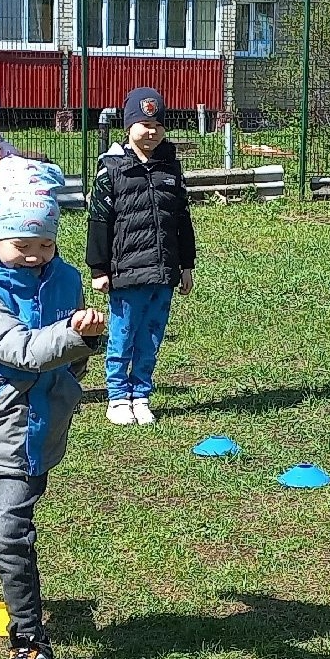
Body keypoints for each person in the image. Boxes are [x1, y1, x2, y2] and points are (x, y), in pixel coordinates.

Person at [0, 158, 106, 659]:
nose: (36, 255)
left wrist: (88, 338)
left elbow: (70, 357)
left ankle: (31, 644)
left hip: (33, 430)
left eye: (45, 244)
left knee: (7, 533)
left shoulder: (63, 280)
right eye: (23, 244)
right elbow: (15, 349)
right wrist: (70, 336)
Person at [85, 86, 196, 426]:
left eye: (157, 126)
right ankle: (117, 396)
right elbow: (99, 221)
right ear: (128, 126)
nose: (151, 132)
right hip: (126, 270)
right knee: (123, 333)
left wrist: (186, 265)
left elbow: (181, 219)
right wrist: (99, 268)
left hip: (163, 272)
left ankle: (141, 393)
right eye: (143, 124)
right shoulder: (112, 170)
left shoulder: (170, 169)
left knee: (151, 334)